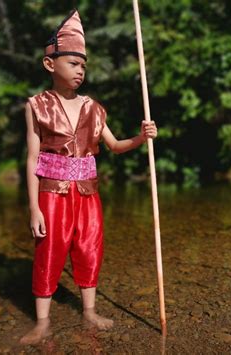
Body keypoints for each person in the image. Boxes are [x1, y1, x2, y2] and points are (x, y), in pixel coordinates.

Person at [20, 9, 157, 345]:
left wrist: (141, 138)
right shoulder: (37, 105)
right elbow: (33, 157)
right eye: (73, 63)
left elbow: (114, 145)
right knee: (50, 250)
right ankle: (42, 321)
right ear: (50, 64)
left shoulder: (94, 108)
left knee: (89, 248)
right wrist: (34, 209)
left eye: (83, 65)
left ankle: (89, 311)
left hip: (88, 194)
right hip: (51, 194)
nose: (80, 70)